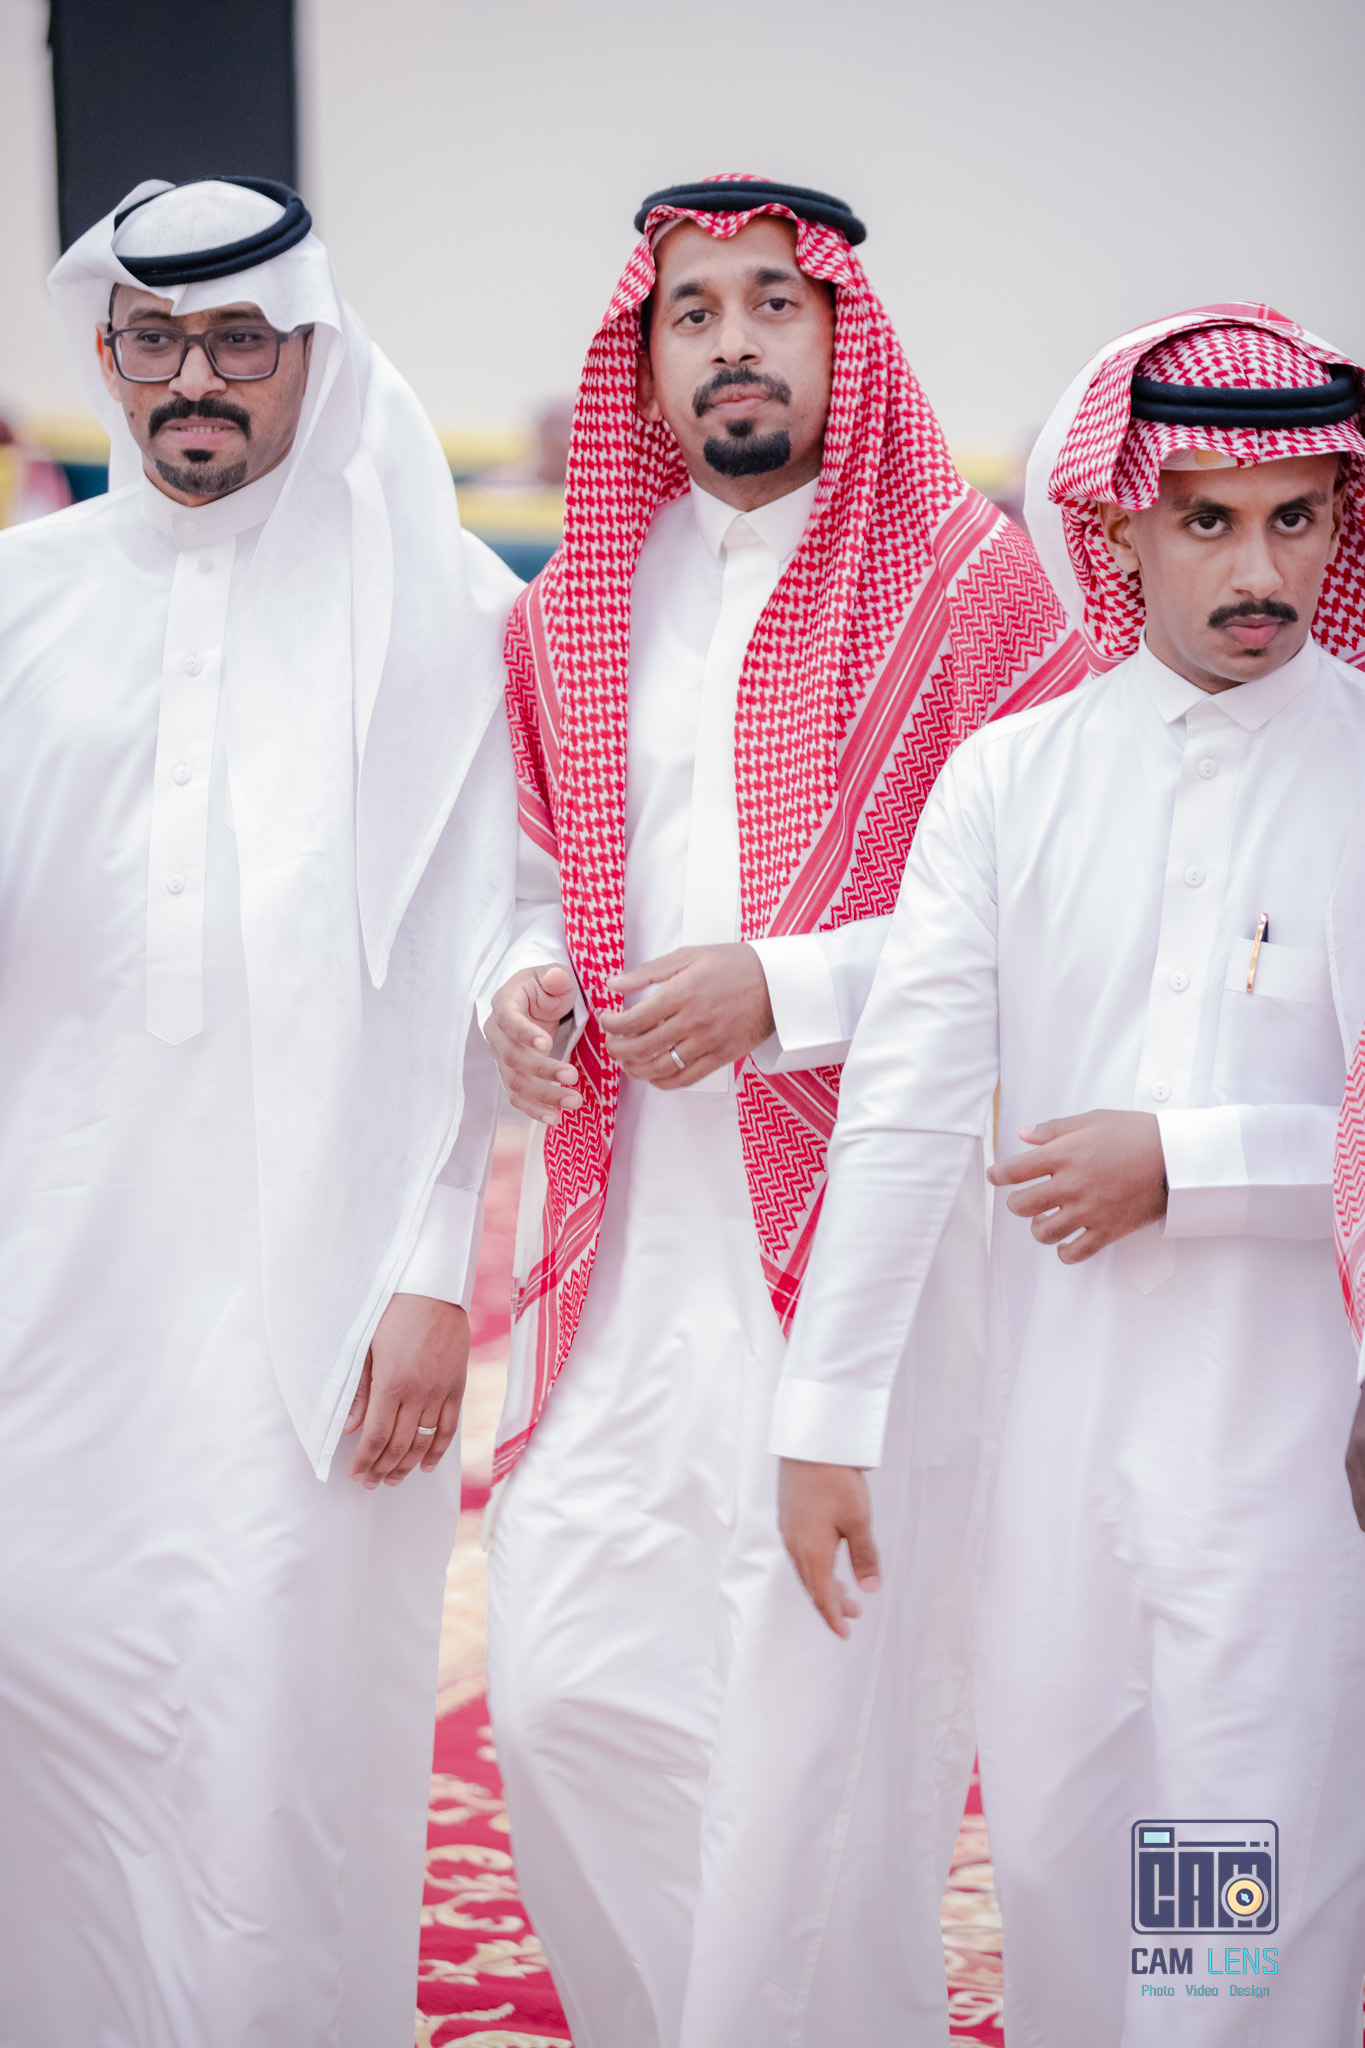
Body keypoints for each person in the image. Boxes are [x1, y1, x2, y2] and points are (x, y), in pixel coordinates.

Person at [479, 173, 1088, 2048]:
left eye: (771, 302)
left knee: (810, 1754)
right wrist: (519, 987)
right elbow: (529, 879)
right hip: (619, 1249)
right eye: (693, 311)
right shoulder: (578, 600)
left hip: (860, 1263)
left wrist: (790, 990)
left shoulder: (967, 587)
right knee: (560, 1695)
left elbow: (1053, 913)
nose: (731, 340)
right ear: (644, 356)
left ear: (840, 332)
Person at [777, 305, 1365, 2045]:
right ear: (1113, 527)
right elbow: (902, 1111)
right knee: (1053, 1858)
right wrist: (824, 1415)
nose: (1256, 570)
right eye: (1206, 521)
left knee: (1229, 1887)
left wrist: (1184, 1162)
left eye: (1295, 520)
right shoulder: (1010, 782)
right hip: (1051, 1447)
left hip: (1283, 1462)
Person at [0, 177, 521, 2047]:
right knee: (43, 1726)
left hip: (318, 1297)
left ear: (314, 353)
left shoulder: (439, 613)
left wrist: (433, 1266)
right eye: (155, 340)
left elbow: (492, 946)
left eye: (239, 340)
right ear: (108, 352)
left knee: (267, 1753)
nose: (194, 380)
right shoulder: (23, 603)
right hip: (46, 1291)